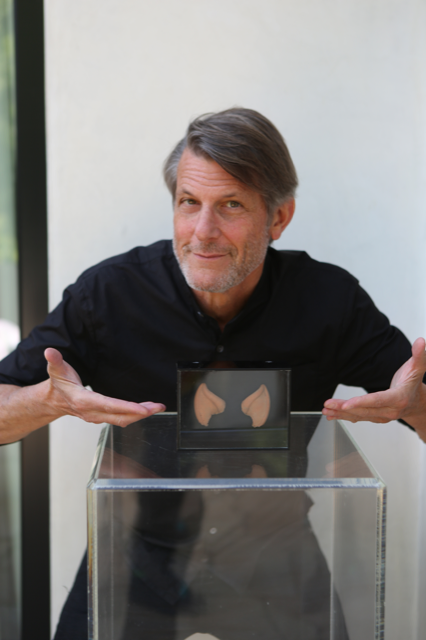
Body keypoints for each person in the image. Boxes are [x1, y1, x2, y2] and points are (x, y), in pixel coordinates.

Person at [0, 108, 425, 638]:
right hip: (137, 557)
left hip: (277, 559)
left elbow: (418, 400)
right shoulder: (110, 296)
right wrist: (48, 401)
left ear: (278, 218)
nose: (203, 232)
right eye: (188, 204)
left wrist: (416, 405)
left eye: (230, 206)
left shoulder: (329, 301)